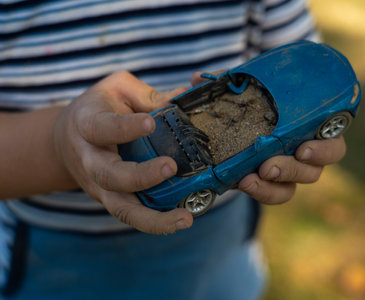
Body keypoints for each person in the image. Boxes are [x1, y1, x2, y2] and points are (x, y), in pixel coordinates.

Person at [0, 1, 347, 299]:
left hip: (219, 245)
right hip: (56, 259)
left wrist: (307, 141)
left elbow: (304, 67)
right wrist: (57, 146)